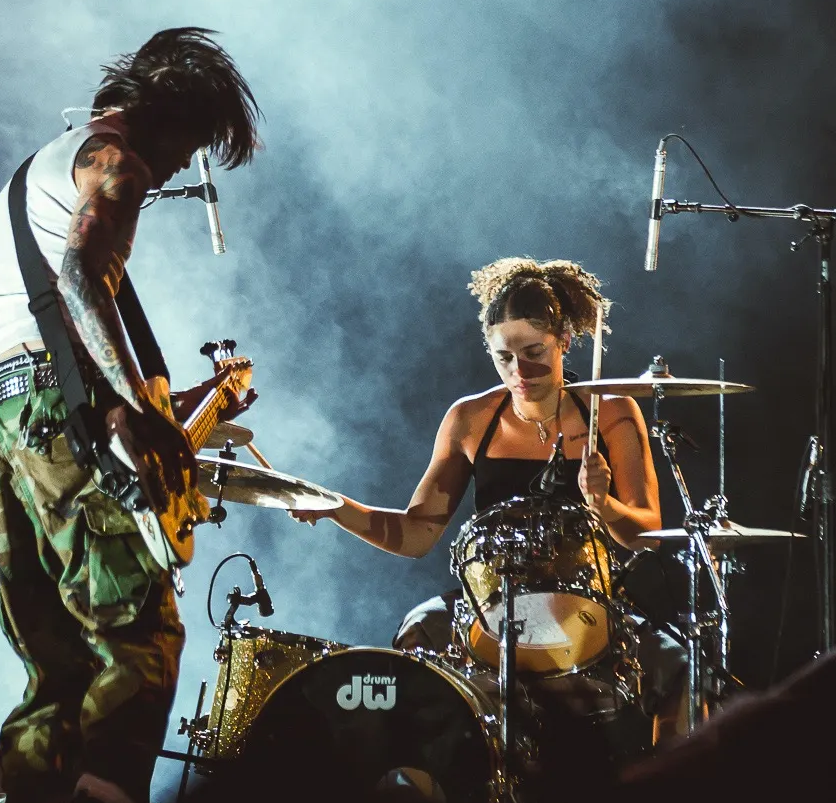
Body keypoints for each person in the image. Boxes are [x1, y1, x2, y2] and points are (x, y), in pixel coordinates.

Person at [0, 27, 259, 803]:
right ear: (165, 117)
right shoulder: (116, 161)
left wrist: (160, 398)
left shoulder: (40, 167)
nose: (175, 169)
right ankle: (107, 802)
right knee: (142, 627)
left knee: (55, 664)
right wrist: (138, 405)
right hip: (46, 403)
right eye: (187, 146)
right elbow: (80, 280)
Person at [294, 257, 686, 741]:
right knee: (418, 634)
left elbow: (648, 537)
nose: (520, 370)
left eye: (535, 351)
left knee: (681, 670)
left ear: (564, 341)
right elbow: (416, 535)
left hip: (590, 605)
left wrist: (604, 504)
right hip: (489, 604)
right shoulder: (470, 419)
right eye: (504, 357)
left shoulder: (612, 413)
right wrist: (335, 507)